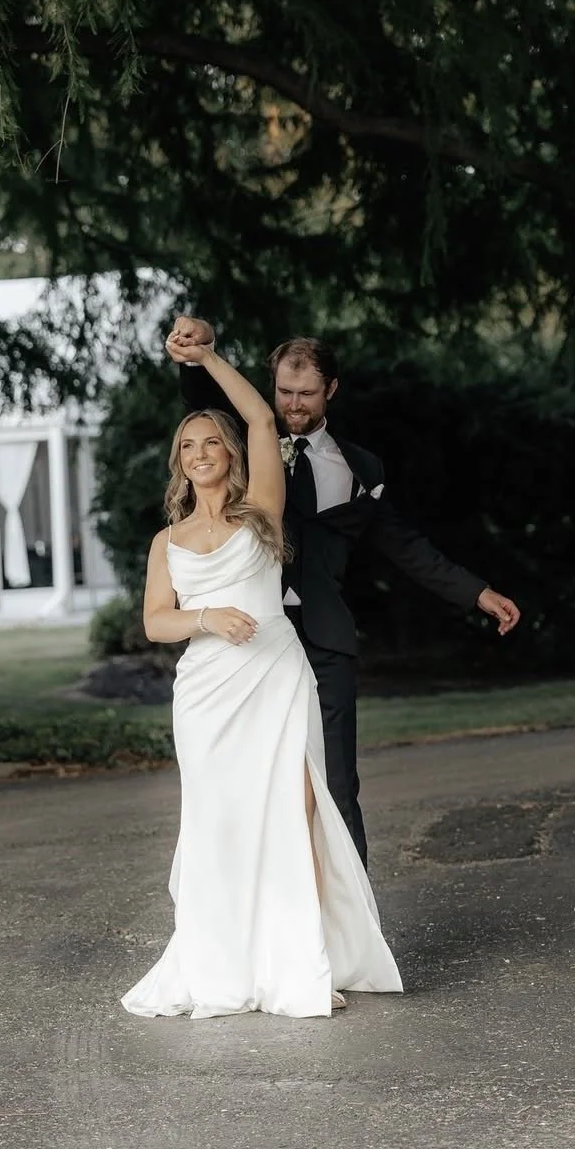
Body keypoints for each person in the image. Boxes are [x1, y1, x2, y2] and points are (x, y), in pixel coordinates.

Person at [170, 317, 520, 866]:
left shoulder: (360, 468)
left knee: (336, 782)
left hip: (326, 638)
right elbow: (201, 409)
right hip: (253, 640)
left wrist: (477, 593)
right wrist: (196, 352)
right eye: (284, 391)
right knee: (254, 781)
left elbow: (406, 546)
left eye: (306, 393)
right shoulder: (243, 448)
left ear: (330, 390)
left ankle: (356, 927)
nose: (293, 404)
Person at [121, 338, 403, 1020]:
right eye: (188, 447)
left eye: (210, 443)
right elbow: (157, 621)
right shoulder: (168, 541)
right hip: (209, 694)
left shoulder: (263, 511)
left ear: (230, 454)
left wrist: (210, 358)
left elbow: (260, 419)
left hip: (277, 676)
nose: (200, 454)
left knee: (296, 815)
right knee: (219, 823)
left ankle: (304, 963)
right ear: (180, 464)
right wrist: (206, 615)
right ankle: (225, 960)